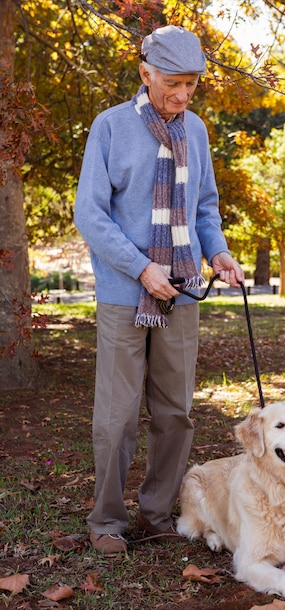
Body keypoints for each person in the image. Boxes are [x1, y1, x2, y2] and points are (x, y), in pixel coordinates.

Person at [74, 25, 244, 555]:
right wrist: (141, 266)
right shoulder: (109, 128)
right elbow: (91, 215)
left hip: (185, 290)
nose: (182, 95)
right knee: (118, 414)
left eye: (191, 84)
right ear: (145, 73)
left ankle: (156, 512)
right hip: (127, 293)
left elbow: (204, 208)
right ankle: (106, 520)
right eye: (172, 82)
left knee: (175, 411)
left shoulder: (196, 130)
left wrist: (216, 252)